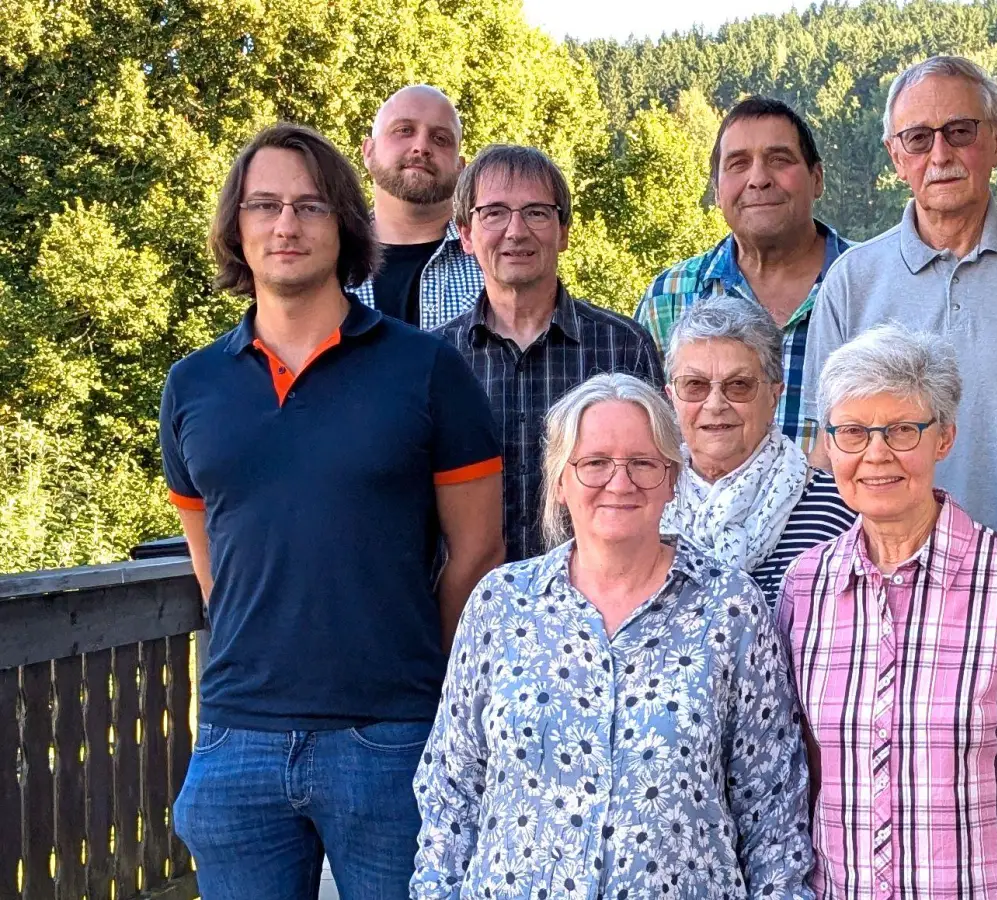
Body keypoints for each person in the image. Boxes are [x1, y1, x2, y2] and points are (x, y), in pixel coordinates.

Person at [798, 56, 997, 874]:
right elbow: (824, 447)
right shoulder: (853, 279)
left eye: (960, 131)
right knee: (903, 828)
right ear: (893, 155)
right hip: (893, 597)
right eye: (918, 137)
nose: (940, 152)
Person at [162, 123, 505, 900]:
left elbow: (479, 549)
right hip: (235, 734)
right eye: (265, 206)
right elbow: (209, 559)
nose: (286, 225)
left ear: (346, 226)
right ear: (236, 227)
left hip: (391, 736)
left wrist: (413, 663)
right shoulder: (192, 386)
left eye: (311, 206)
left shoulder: (427, 369)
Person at [412, 373, 815, 899]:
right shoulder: (502, 604)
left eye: (643, 464)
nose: (619, 483)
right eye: (595, 463)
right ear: (559, 481)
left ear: (673, 479)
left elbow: (773, 813)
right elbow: (452, 791)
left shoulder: (730, 608)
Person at [781, 324, 997, 900]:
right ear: (827, 445)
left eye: (902, 430)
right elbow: (803, 773)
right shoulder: (806, 586)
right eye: (852, 432)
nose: (876, 454)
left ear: (943, 438)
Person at [438, 144, 664, 563]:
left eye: (537, 212)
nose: (516, 230)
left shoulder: (624, 347)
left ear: (563, 233)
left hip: (596, 609)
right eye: (494, 213)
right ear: (466, 234)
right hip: (463, 609)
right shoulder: (433, 360)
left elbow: (660, 484)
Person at [637, 96, 852, 450]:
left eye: (779, 160)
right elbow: (644, 442)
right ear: (717, 192)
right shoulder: (669, 297)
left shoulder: (872, 283)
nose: (758, 179)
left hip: (845, 507)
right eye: (738, 164)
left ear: (817, 179)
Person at [659, 296, 855, 604]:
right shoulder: (645, 502)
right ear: (672, 397)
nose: (715, 404)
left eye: (739, 385)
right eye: (694, 385)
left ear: (774, 396)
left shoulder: (837, 510)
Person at [352, 85, 483, 329]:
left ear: (460, 168)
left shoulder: (492, 264)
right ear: (369, 152)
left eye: (440, 139)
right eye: (404, 130)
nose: (421, 147)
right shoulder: (328, 261)